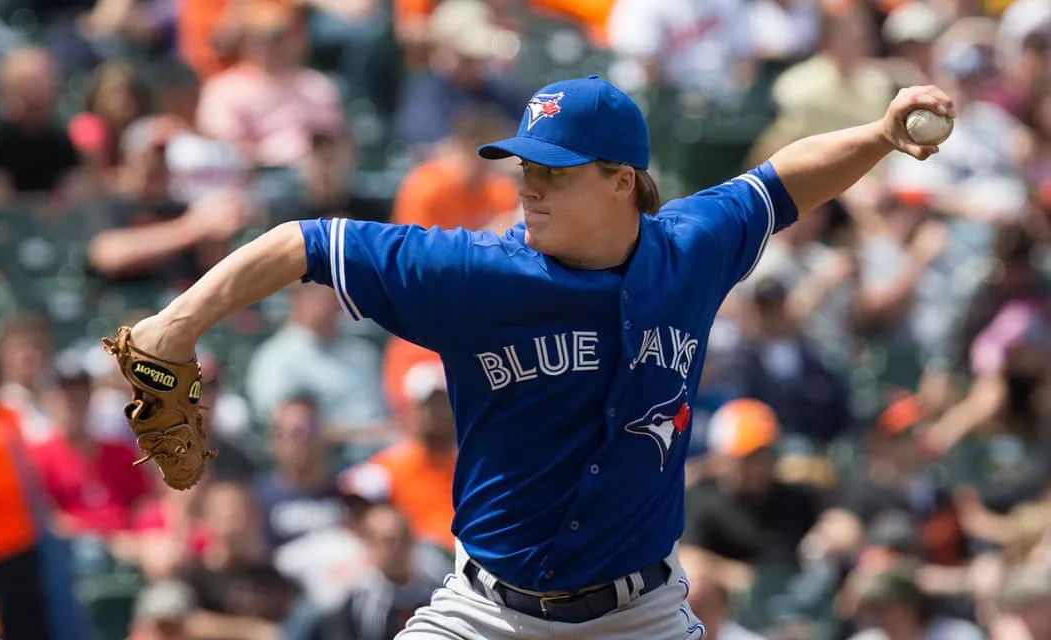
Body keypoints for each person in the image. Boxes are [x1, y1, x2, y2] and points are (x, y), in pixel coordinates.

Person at [120, 73, 955, 639]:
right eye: (524, 165)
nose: (527, 184)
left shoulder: (691, 249)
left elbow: (781, 184)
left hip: (639, 616)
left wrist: (879, 134)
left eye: (555, 171)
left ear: (621, 181)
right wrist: (172, 328)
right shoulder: (473, 273)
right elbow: (303, 241)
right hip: (488, 614)